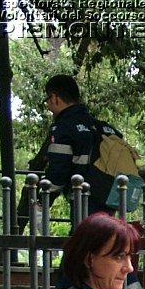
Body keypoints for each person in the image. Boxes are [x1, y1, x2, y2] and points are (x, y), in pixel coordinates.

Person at [40, 74, 127, 218]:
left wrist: (43, 202)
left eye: (47, 100)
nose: (49, 106)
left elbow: (58, 170)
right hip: (108, 198)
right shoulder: (103, 127)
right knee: (104, 237)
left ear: (55, 98)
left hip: (83, 199)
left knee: (84, 237)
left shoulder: (64, 128)